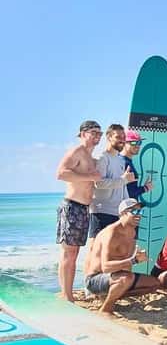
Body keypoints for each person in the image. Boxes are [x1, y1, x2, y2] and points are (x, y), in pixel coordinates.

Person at [83, 199, 161, 312]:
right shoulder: (112, 233)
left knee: (155, 284)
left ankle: (111, 297)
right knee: (126, 278)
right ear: (123, 213)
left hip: (116, 277)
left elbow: (126, 264)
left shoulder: (132, 232)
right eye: (134, 212)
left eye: (140, 212)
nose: (138, 215)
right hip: (95, 280)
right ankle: (106, 309)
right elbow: (106, 267)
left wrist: (136, 259)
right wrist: (134, 260)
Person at [55, 120, 103, 301]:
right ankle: (66, 295)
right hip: (72, 206)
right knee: (69, 252)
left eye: (99, 133)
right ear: (82, 133)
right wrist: (89, 177)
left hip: (84, 209)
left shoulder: (91, 158)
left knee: (74, 253)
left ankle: (68, 293)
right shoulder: (77, 152)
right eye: (93, 132)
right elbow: (61, 173)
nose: (97, 136)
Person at [89, 124, 134, 240]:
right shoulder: (102, 157)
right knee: (95, 250)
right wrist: (123, 180)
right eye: (118, 137)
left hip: (117, 213)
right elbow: (99, 183)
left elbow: (122, 184)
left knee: (111, 252)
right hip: (101, 211)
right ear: (109, 137)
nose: (122, 140)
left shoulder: (120, 160)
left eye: (123, 137)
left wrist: (129, 206)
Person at [121, 130, 155, 204]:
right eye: (133, 142)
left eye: (139, 143)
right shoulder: (123, 162)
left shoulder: (128, 161)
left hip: (128, 208)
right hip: (125, 209)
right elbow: (128, 192)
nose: (137, 145)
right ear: (123, 143)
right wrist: (145, 188)